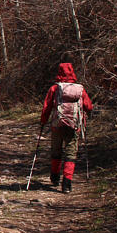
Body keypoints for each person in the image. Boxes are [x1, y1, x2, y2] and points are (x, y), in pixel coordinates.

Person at [40, 63, 92, 193]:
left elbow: (47, 107)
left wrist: (43, 121)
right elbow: (89, 106)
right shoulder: (80, 89)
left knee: (56, 151)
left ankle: (55, 177)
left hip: (57, 125)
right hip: (74, 126)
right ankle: (67, 184)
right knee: (70, 154)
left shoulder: (55, 89)